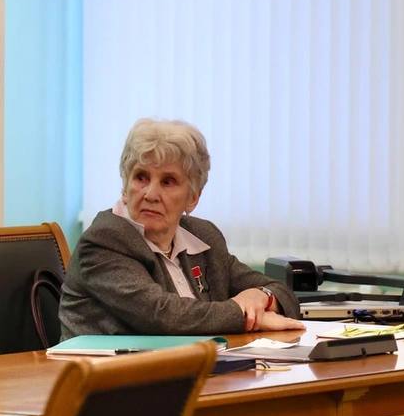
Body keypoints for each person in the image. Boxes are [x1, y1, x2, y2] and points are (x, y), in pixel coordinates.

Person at [59, 118, 303, 338]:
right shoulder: (104, 240)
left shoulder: (203, 237)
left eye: (168, 181)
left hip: (195, 367)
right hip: (106, 372)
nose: (151, 194)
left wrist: (261, 296)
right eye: (141, 177)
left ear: (193, 197)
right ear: (125, 186)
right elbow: (163, 316)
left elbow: (281, 291)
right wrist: (245, 315)